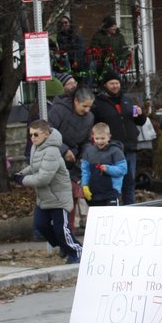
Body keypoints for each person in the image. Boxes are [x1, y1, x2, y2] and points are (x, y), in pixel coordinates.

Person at [16, 120, 83, 263]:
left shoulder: (52, 151)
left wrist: (23, 181)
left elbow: (43, 178)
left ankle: (76, 251)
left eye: (36, 134)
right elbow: (35, 166)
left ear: (46, 134)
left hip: (58, 197)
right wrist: (21, 174)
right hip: (44, 197)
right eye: (31, 135)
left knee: (61, 229)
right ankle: (64, 246)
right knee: (40, 226)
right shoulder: (36, 147)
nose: (33, 138)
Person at [91, 70, 146, 204]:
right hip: (111, 150)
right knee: (112, 184)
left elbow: (140, 122)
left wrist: (140, 114)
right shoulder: (98, 104)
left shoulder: (127, 100)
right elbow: (94, 126)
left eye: (117, 83)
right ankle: (113, 211)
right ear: (105, 85)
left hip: (130, 148)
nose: (115, 86)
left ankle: (130, 210)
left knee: (129, 182)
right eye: (112, 83)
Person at [48, 85, 95, 229]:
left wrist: (85, 156)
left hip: (75, 162)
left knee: (75, 197)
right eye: (84, 106)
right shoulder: (59, 110)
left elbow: (87, 140)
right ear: (75, 101)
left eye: (89, 107)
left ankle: (71, 231)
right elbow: (48, 132)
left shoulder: (89, 118)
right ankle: (64, 231)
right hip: (56, 160)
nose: (87, 110)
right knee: (63, 200)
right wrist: (64, 150)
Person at [80, 122, 128, 207]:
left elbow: (123, 169)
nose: (99, 141)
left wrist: (108, 169)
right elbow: (85, 171)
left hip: (111, 192)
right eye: (97, 138)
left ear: (109, 137)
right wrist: (85, 185)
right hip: (94, 193)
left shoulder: (116, 151)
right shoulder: (88, 152)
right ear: (92, 137)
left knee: (112, 217)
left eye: (103, 138)